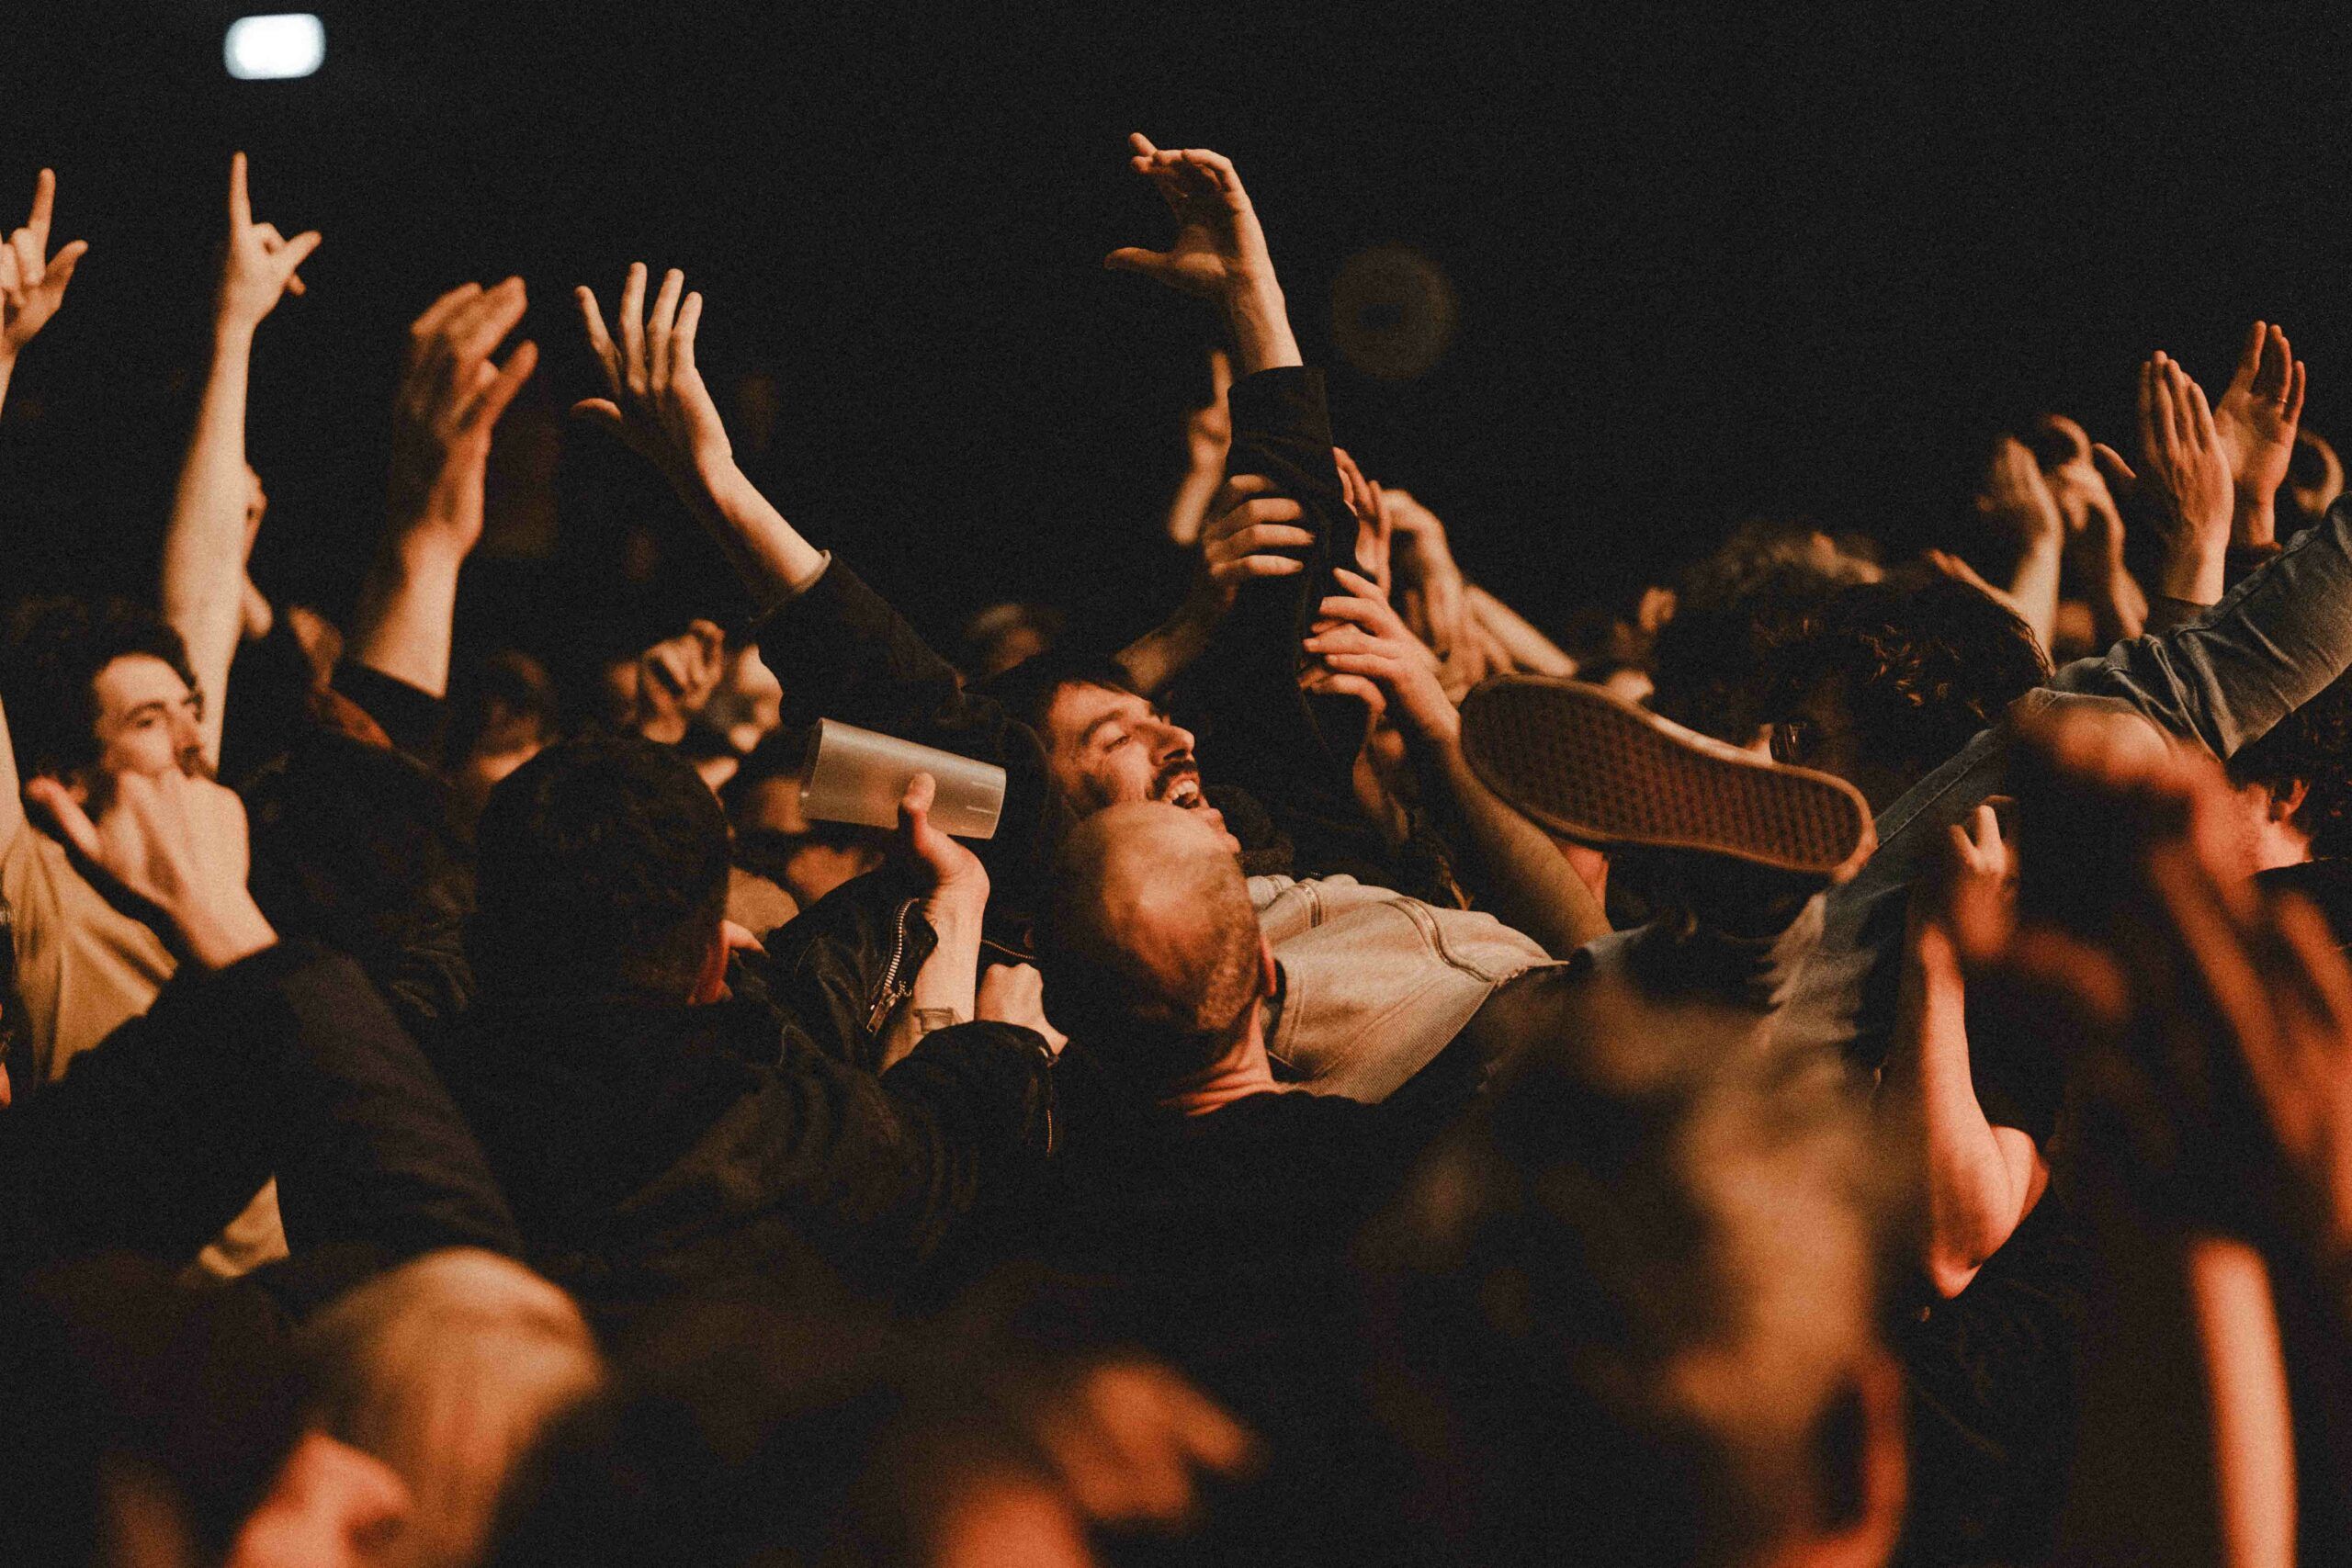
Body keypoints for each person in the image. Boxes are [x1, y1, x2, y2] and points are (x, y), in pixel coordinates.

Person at [429, 737, 1059, 1327]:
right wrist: (999, 1032)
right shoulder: (779, 1144)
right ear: (712, 964)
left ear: (483, 947)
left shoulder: (406, 1091)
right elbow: (932, 1140)